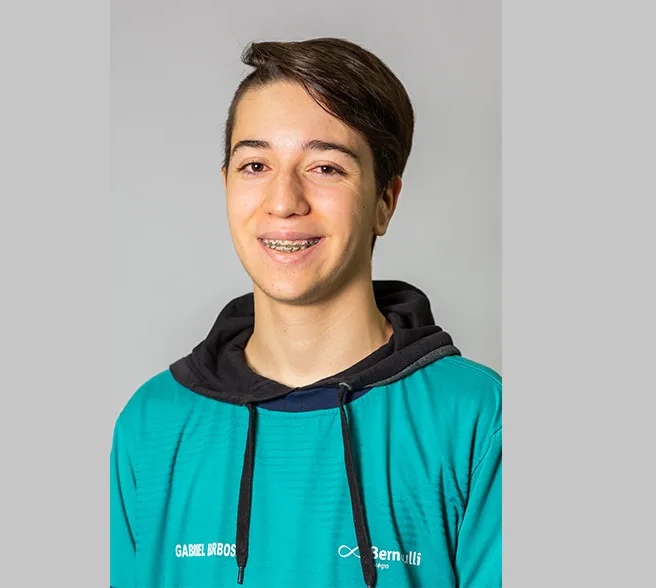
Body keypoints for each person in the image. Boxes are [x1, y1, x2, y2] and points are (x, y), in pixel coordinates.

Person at [110, 37, 501, 588]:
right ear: (226, 187)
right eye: (255, 165)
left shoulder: (478, 420)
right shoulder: (151, 424)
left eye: (325, 167)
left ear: (384, 201)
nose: (283, 201)